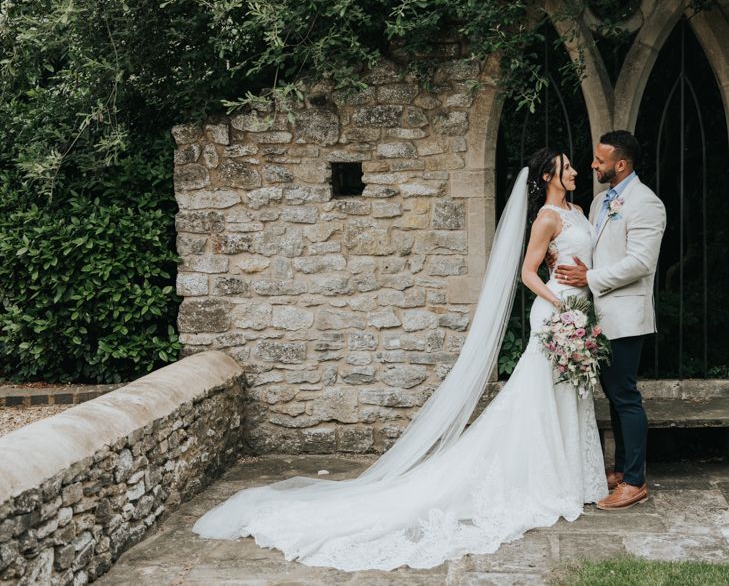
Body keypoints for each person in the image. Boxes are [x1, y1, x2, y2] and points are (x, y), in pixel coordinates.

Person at [191, 149, 608, 572]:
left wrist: (583, 292)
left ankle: (571, 476)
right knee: (540, 393)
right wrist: (561, 304)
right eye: (567, 167)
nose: (574, 171)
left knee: (566, 392)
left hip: (578, 309)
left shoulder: (576, 209)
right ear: (547, 175)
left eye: (573, 166)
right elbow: (527, 273)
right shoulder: (547, 218)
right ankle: (544, 478)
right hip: (557, 314)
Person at [556, 130, 666, 510]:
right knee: (614, 397)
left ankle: (635, 481)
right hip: (600, 315)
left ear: (620, 164)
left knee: (625, 397)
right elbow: (603, 250)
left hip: (626, 316)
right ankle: (620, 471)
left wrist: (590, 278)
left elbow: (640, 263)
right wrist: (585, 269)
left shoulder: (646, 204)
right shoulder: (603, 200)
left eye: (599, 161)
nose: (592, 165)